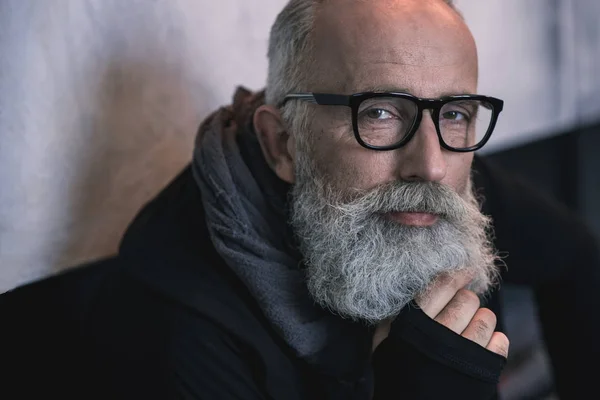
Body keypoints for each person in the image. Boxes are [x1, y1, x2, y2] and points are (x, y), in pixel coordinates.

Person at [2, 0, 599, 399]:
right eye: (381, 112)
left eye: (456, 113)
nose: (434, 165)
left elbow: (580, 259)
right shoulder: (174, 329)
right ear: (282, 142)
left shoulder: (436, 186)